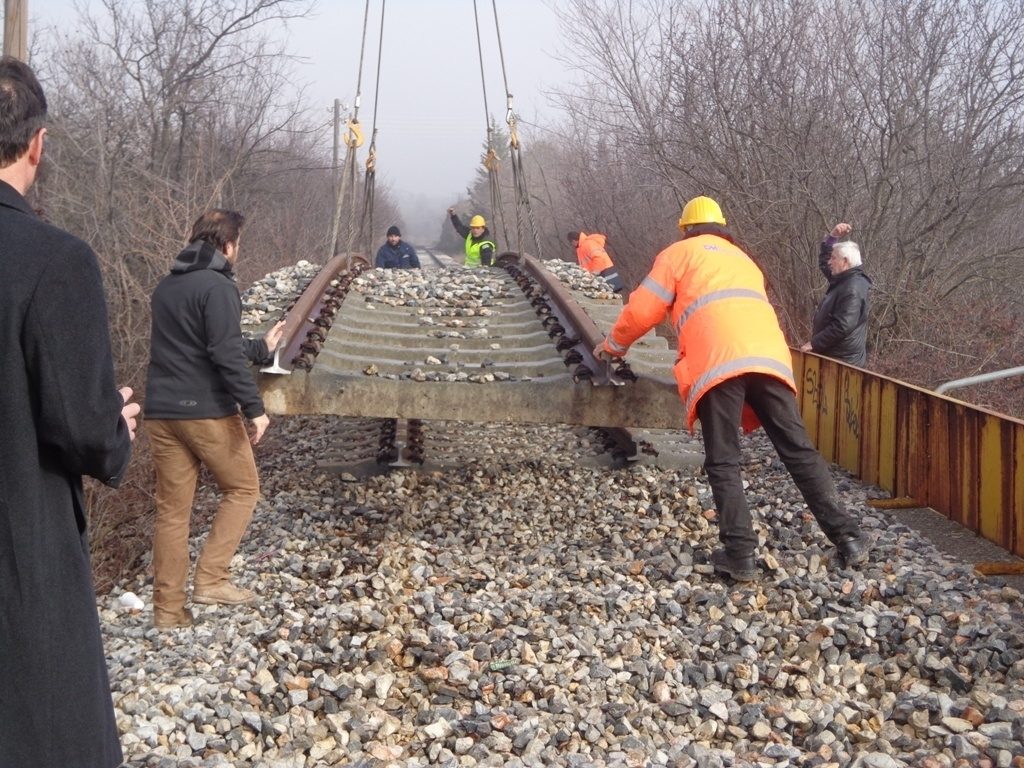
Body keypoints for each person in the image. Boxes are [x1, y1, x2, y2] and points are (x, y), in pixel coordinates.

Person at [594, 196, 868, 581]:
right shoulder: (743, 258)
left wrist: (613, 346)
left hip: (718, 361)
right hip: (769, 359)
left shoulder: (678, 254)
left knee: (723, 460)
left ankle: (740, 555)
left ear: (686, 229)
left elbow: (642, 310)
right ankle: (850, 537)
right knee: (798, 450)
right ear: (722, 228)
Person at [0, 55, 141, 768]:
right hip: (20, 570)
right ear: (37, 144)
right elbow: (86, 433)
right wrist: (115, 421)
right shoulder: (54, 261)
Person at [145, 209, 285, 630]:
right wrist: (255, 410)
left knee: (173, 513)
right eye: (237, 243)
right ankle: (212, 579)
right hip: (205, 412)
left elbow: (200, 341)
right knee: (243, 489)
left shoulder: (167, 286)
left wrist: (260, 347)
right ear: (226, 244)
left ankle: (168, 612)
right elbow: (222, 353)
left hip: (162, 414)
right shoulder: (218, 286)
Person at [800, 222, 871, 366]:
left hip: (844, 362)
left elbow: (843, 325)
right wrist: (832, 237)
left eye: (834, 258)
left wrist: (814, 343)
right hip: (835, 356)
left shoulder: (853, 287)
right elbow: (824, 263)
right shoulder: (843, 278)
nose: (830, 262)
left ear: (845, 261)